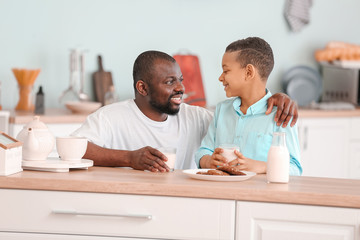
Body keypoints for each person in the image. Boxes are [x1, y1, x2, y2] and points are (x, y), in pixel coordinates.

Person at [72, 50, 299, 172]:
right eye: (170, 82)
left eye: (180, 80)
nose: (180, 88)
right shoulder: (111, 117)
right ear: (142, 88)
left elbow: (238, 118)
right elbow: (72, 149)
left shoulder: (196, 117)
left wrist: (274, 98)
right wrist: (130, 158)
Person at [195, 37, 302, 175]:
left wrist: (263, 167)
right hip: (222, 191)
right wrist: (208, 161)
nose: (220, 78)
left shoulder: (281, 114)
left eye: (226, 71)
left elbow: (295, 168)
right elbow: (203, 151)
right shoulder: (222, 110)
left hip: (259, 194)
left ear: (249, 72)